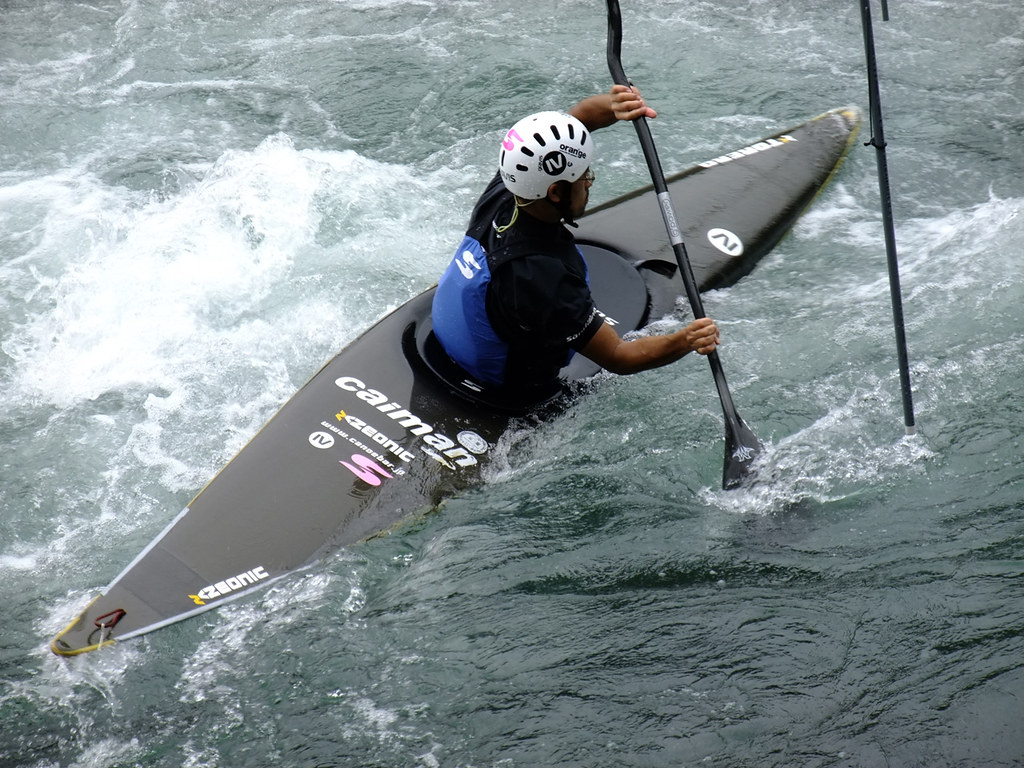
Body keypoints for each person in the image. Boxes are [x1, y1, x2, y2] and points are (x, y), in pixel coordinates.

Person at [431, 84, 720, 398]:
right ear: (555, 192)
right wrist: (685, 341)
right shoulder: (543, 276)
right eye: (585, 178)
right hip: (504, 382)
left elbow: (577, 119)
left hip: (459, 334)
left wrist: (614, 106)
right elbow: (618, 358)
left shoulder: (505, 192)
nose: (589, 182)